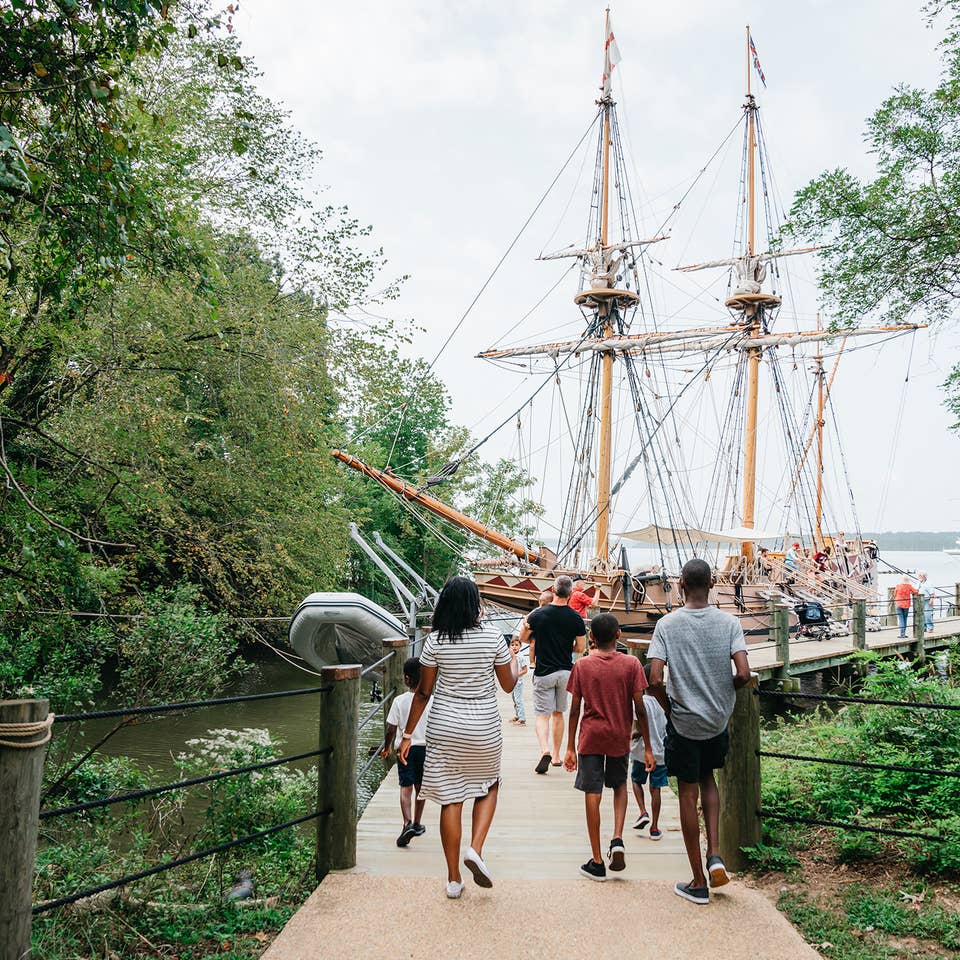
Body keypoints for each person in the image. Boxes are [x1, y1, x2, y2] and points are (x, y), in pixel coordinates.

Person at [399, 576, 518, 899]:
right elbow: (508, 685)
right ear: (474, 604)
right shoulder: (493, 637)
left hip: (445, 726)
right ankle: (475, 849)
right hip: (484, 726)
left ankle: (453, 879)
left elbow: (423, 692)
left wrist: (408, 734)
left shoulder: (435, 641)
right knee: (489, 784)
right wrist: (516, 659)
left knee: (451, 798)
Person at [648, 558, 751, 906]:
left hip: (684, 722)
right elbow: (743, 672)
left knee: (687, 793)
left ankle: (697, 881)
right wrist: (725, 694)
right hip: (716, 721)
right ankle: (716, 855)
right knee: (709, 780)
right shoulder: (729, 622)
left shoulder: (667, 624)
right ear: (711, 584)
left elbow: (655, 679)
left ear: (680, 585)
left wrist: (668, 707)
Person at [563, 613, 653, 881]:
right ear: (618, 635)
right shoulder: (632, 664)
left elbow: (574, 709)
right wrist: (648, 746)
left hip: (591, 737)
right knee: (619, 785)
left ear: (591, 637)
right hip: (619, 735)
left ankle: (597, 860)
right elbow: (640, 708)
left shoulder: (583, 666)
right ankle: (617, 838)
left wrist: (569, 746)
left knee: (592, 792)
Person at [519, 575, 587, 774]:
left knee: (542, 715)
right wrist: (566, 647)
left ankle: (545, 750)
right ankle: (557, 756)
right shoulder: (576, 618)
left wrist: (526, 624)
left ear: (554, 590)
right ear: (571, 593)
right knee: (559, 714)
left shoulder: (538, 614)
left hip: (543, 672)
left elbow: (523, 639)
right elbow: (581, 648)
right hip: (565, 671)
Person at [381, 657, 431, 847]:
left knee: (405, 786)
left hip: (405, 750)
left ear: (406, 678)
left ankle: (406, 822)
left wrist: (387, 747)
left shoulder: (399, 701)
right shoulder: (431, 701)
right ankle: (417, 823)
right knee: (420, 787)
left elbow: (391, 728)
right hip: (425, 748)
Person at [631, 662, 668, 841]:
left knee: (636, 781)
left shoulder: (640, 702)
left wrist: (631, 736)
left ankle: (642, 811)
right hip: (660, 752)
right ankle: (654, 827)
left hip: (640, 751)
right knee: (656, 789)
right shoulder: (665, 703)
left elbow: (637, 728)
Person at [510, 636, 529, 725]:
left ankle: (522, 718)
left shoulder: (521, 656)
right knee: (514, 699)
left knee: (518, 699)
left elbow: (525, 670)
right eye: (512, 645)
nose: (514, 647)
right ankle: (518, 715)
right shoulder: (511, 656)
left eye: (516, 645)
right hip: (512, 682)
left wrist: (516, 675)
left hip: (518, 682)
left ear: (520, 646)